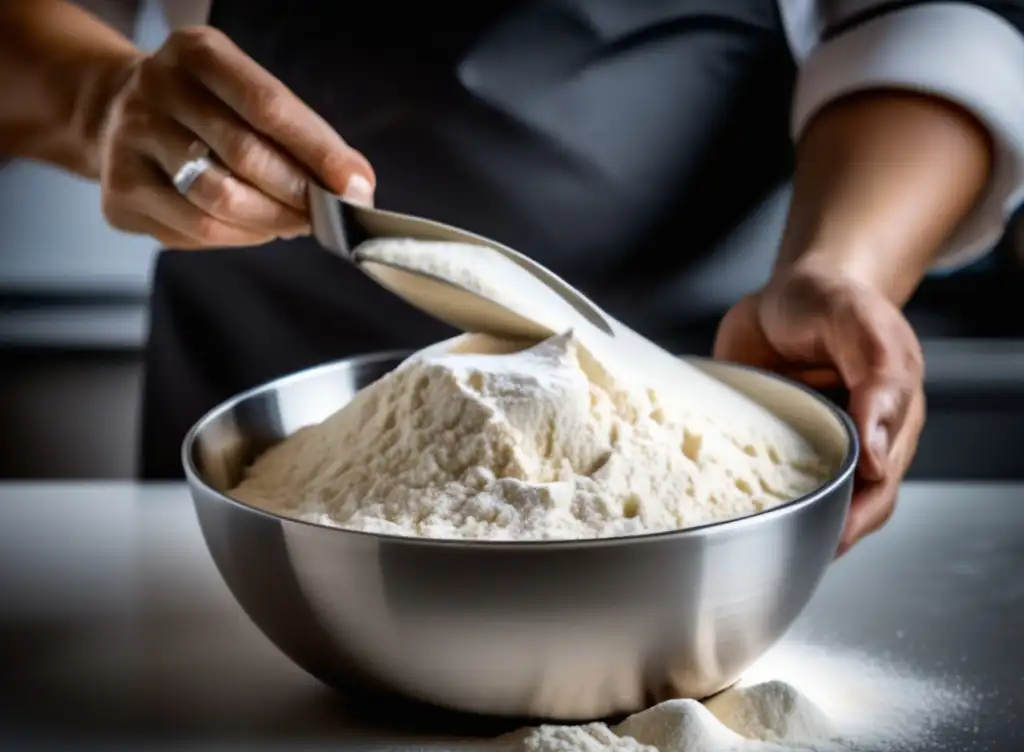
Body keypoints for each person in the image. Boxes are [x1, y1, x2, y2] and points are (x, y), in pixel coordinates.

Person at [2, 1, 1023, 555]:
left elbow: (937, 18)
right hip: (268, 448)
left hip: (693, 407)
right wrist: (106, 106)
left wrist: (836, 268)